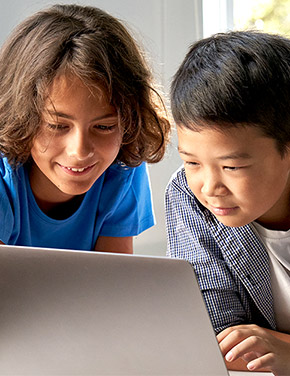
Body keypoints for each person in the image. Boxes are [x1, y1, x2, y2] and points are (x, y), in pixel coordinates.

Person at [166, 30, 290, 375]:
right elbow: (219, 340)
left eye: (232, 166)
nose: (209, 187)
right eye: (192, 162)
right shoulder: (188, 196)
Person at [0, 4, 170, 253]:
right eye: (57, 125)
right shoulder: (5, 178)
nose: (79, 151)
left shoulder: (123, 169)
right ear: (21, 117)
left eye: (104, 126)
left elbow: (111, 283)